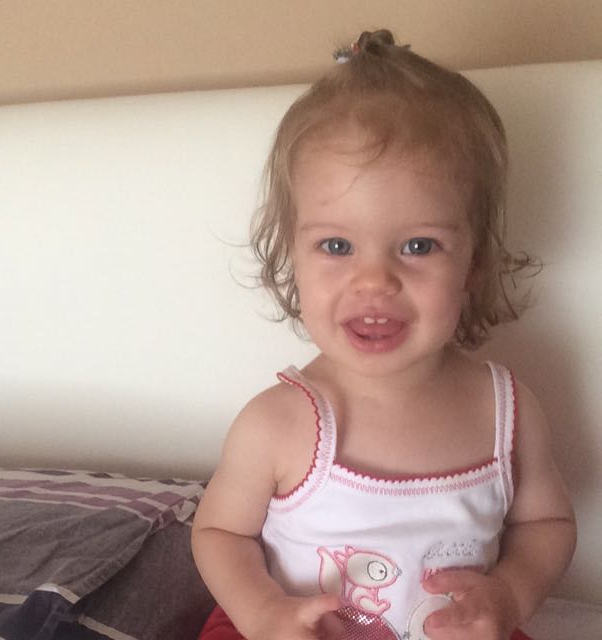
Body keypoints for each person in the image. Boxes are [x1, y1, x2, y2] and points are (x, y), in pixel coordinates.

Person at [191, 29, 576, 640]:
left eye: (419, 246)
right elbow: (219, 534)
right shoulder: (278, 423)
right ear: (292, 256)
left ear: (474, 264)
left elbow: (545, 525)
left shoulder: (507, 411)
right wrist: (263, 611)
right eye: (336, 246)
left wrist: (512, 593)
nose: (375, 280)